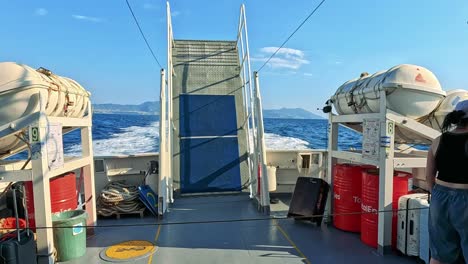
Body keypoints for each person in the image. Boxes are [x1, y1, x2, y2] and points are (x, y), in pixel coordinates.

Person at [426, 99, 468, 264]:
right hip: (465, 200)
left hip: (439, 197)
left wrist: (435, 194)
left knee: (438, 254)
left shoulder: (438, 140)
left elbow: (429, 177)